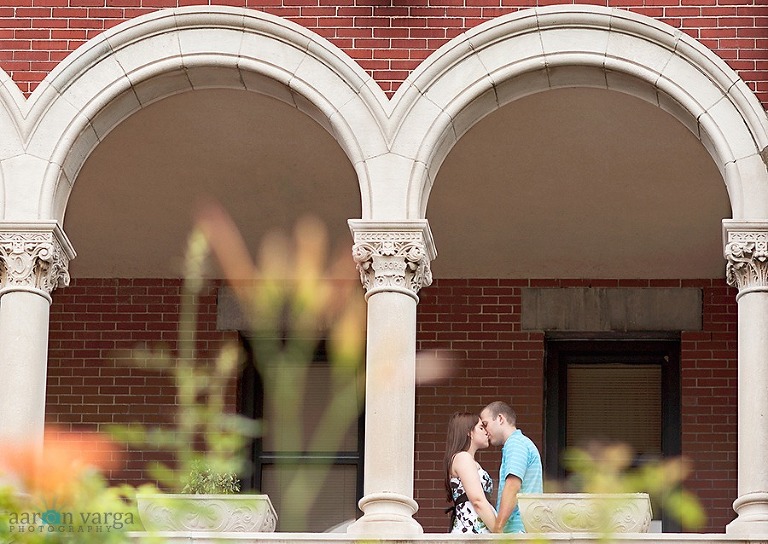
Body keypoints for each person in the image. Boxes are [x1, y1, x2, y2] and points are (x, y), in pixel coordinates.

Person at [480, 401, 543, 533]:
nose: (485, 431)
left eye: (485, 424)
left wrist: (498, 527)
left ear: (500, 419)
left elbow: (513, 486)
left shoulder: (516, 444)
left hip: (518, 530)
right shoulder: (520, 443)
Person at [443, 412, 497, 533]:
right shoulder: (463, 458)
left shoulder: (465, 459)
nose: (486, 432)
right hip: (472, 530)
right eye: (481, 427)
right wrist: (500, 534)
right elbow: (478, 501)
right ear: (469, 432)